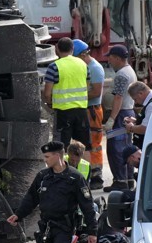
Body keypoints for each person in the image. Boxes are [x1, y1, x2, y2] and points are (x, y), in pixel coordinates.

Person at [43, 37, 91, 160]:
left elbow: (47, 94)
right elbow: (87, 86)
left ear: (56, 49)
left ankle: (62, 175)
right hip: (81, 111)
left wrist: (50, 104)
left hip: (63, 113)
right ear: (72, 49)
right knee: (84, 147)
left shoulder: (54, 67)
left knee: (60, 147)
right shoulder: (83, 64)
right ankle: (86, 176)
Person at [103, 44, 137, 192]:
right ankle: (128, 179)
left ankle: (120, 181)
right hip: (126, 114)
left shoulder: (122, 75)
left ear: (117, 58)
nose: (109, 61)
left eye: (110, 58)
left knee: (115, 149)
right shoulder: (129, 71)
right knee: (126, 148)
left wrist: (111, 119)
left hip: (120, 115)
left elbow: (118, 98)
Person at [74, 39, 106, 189]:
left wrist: (76, 97)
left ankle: (96, 176)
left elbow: (96, 92)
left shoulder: (94, 68)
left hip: (92, 110)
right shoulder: (86, 67)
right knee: (87, 143)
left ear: (81, 55)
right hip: (86, 109)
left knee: (94, 144)